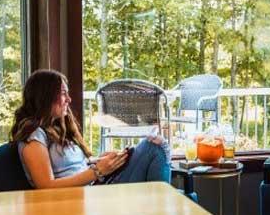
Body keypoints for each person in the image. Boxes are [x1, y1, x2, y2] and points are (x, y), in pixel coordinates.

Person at [10, 69, 171, 189]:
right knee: (155, 148)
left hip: (96, 184)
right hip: (89, 194)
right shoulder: (34, 135)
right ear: (45, 97)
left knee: (154, 143)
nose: (69, 99)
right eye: (63, 93)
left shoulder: (56, 127)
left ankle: (158, 212)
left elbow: (72, 168)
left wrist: (99, 161)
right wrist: (97, 171)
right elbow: (46, 186)